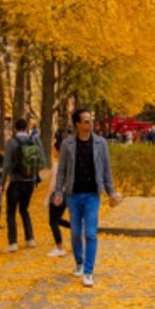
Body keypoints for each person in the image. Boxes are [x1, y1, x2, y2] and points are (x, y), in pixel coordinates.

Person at [51, 108, 122, 288]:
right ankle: (79, 262)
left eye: (91, 121)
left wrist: (111, 191)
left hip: (92, 195)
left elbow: (106, 169)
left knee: (90, 233)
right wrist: (59, 192)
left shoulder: (101, 143)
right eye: (85, 121)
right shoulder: (68, 145)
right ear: (77, 124)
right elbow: (62, 171)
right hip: (73, 195)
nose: (90, 124)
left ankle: (89, 272)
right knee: (76, 233)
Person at [2, 118, 42, 252]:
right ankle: (30, 239)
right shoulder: (34, 140)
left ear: (15, 128)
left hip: (15, 182)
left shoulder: (11, 142)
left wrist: (2, 183)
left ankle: (12, 242)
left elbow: (6, 164)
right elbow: (42, 160)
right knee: (24, 209)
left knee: (11, 212)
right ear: (27, 128)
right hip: (30, 182)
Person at [45, 128, 70, 257]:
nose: (52, 151)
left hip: (57, 196)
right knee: (58, 219)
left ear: (57, 150)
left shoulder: (56, 165)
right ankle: (77, 227)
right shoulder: (67, 164)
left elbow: (53, 184)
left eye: (53, 149)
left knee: (53, 222)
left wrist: (47, 198)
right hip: (66, 195)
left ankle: (60, 247)